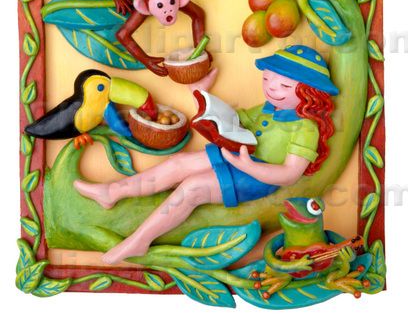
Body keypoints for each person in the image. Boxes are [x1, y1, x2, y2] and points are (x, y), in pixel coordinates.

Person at [74, 45, 338, 264]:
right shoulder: (267, 108)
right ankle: (112, 192)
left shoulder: (305, 127)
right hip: (236, 153)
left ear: (309, 94)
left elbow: (290, 174)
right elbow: (233, 120)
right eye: (267, 79)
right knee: (178, 163)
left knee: (193, 188)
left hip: (257, 176)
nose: (271, 89)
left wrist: (249, 166)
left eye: (284, 86)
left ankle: (139, 241)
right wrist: (201, 95)